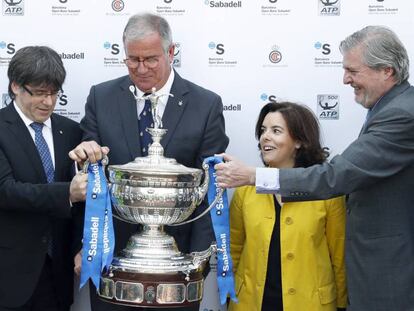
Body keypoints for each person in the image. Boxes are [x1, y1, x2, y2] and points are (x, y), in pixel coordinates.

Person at [215, 25, 414, 311]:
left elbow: (335, 176)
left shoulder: (401, 114)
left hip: (388, 275)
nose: (345, 79)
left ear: (387, 70)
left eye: (353, 71)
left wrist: (252, 176)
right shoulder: (389, 110)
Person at [69, 12, 229, 311]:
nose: (141, 69)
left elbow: (212, 187)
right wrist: (86, 247)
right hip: (110, 259)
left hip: (177, 266)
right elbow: (90, 182)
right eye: (133, 59)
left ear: (171, 52)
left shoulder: (206, 105)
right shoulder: (100, 97)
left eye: (151, 59)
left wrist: (198, 261)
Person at [228, 102, 346, 311]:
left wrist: (342, 304)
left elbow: (340, 257)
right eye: (263, 130)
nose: (265, 137)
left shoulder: (326, 192)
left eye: (276, 131)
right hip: (251, 303)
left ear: (299, 140)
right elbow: (233, 252)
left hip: (311, 304)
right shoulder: (245, 191)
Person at [0, 46, 87, 311]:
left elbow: (81, 206)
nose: (48, 102)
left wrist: (80, 246)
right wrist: (67, 193)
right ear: (16, 86)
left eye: (53, 93)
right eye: (39, 93)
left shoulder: (70, 131)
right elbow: (6, 191)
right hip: (9, 275)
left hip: (58, 275)